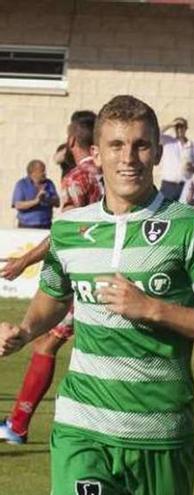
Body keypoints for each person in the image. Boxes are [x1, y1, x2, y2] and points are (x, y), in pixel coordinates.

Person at [0, 95, 194, 495]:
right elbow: (53, 297)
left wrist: (152, 309)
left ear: (157, 153)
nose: (128, 157)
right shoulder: (68, 229)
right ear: (96, 154)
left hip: (160, 432)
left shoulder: (193, 227)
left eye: (140, 145)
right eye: (116, 145)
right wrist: (25, 330)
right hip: (81, 425)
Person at [0, 110, 103, 445]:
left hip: (86, 279)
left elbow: (65, 233)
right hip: (114, 273)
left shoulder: (78, 178)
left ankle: (18, 426)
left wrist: (24, 261)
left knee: (47, 342)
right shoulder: (108, 174)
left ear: (72, 139)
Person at [158, 117, 194, 201]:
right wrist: (170, 124)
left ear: (186, 128)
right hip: (168, 185)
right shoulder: (168, 141)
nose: (179, 129)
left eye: (182, 127)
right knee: (164, 211)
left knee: (182, 212)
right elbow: (155, 134)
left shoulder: (192, 146)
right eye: (177, 127)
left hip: (185, 185)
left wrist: (192, 168)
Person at [12, 159, 59, 229]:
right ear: (33, 172)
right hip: (26, 226)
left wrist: (46, 199)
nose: (45, 173)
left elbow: (57, 203)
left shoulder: (49, 183)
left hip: (46, 225)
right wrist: (36, 201)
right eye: (42, 171)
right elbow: (18, 205)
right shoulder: (21, 184)